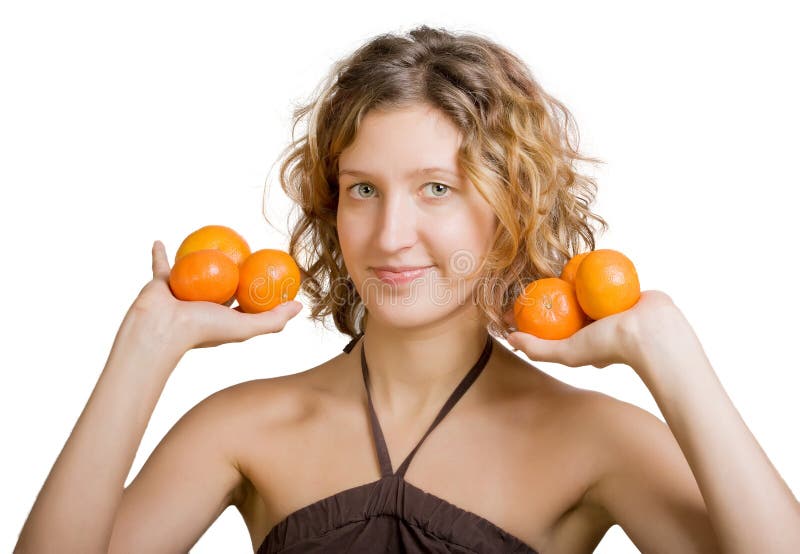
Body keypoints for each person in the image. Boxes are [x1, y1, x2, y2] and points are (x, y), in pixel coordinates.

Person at [15, 25, 799, 554]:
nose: (390, 236)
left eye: (435, 189)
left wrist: (669, 352)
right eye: (362, 190)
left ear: (510, 206)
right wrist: (143, 348)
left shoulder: (593, 441)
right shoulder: (244, 427)